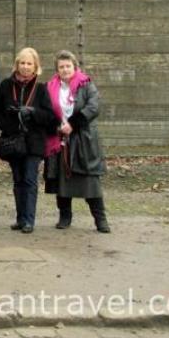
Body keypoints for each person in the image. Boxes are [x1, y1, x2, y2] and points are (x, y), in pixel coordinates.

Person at [44, 50, 110, 233]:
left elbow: (93, 107)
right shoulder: (50, 87)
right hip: (59, 139)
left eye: (68, 66)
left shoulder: (86, 85)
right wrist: (57, 125)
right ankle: (65, 216)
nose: (65, 70)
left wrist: (72, 124)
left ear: (75, 67)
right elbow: (47, 109)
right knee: (62, 180)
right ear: (57, 69)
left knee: (90, 181)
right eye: (61, 67)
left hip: (83, 139)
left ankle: (100, 219)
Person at [0, 47, 57, 234]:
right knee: (18, 180)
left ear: (35, 66)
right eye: (22, 63)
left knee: (30, 180)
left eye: (29, 63)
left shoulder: (41, 88)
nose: (25, 67)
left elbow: (51, 117)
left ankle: (29, 220)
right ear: (16, 64)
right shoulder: (6, 85)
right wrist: (10, 119)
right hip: (13, 141)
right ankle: (20, 218)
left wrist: (33, 113)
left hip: (34, 142)